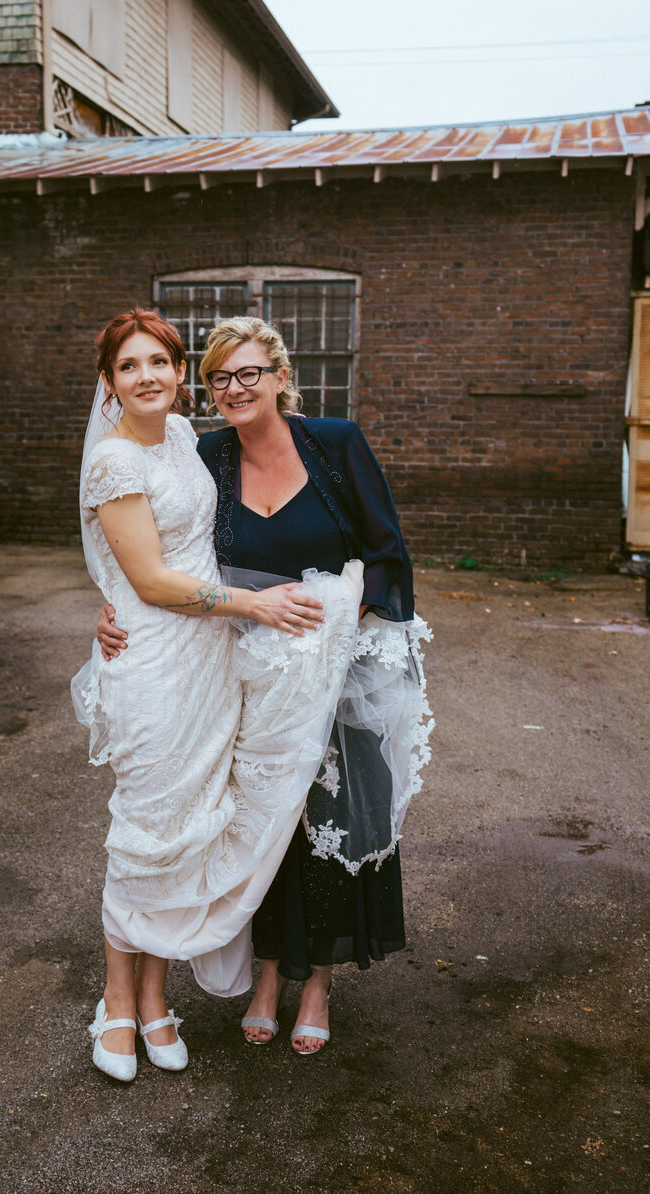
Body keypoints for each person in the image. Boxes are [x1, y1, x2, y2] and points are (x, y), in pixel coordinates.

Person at [97, 316, 432, 1055]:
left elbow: (388, 554)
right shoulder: (205, 452)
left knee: (329, 817)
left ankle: (318, 984)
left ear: (281, 376)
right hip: (242, 668)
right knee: (263, 823)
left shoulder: (336, 443)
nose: (235, 389)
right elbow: (155, 541)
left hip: (335, 664)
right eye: (220, 378)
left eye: (250, 373)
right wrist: (114, 603)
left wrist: (335, 627)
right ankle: (271, 974)